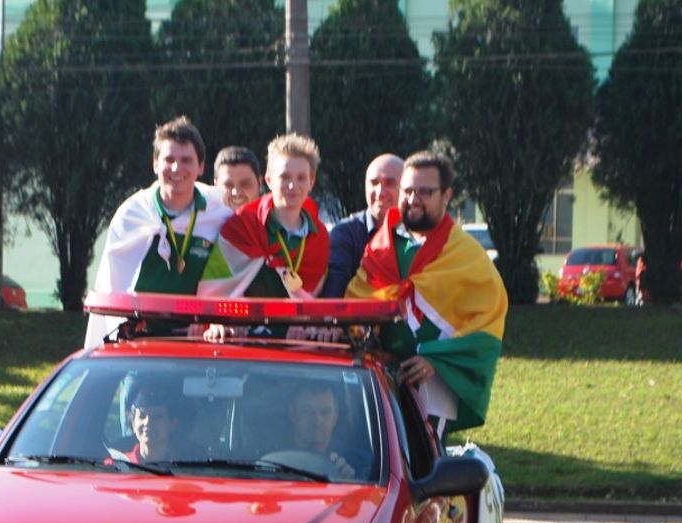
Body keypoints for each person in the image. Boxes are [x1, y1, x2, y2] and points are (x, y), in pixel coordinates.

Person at [345, 151, 508, 434]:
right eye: (407, 190)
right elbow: (356, 302)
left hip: (433, 387)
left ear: (447, 195)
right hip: (377, 379)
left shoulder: (466, 254)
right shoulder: (380, 246)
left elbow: (488, 322)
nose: (413, 199)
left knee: (425, 466)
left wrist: (437, 359)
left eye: (425, 191)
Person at [83, 116, 234, 349]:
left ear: (201, 166)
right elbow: (113, 285)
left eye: (186, 160)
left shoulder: (219, 212)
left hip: (199, 342)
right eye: (169, 159)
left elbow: (232, 277)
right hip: (140, 344)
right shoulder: (132, 214)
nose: (177, 168)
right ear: (155, 163)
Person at [215, 133, 330, 299]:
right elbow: (217, 285)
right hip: (247, 322)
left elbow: (313, 294)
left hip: (301, 323)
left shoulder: (320, 236)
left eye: (301, 178)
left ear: (311, 182)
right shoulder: (242, 225)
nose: (293, 185)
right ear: (269, 180)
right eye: (284, 177)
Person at [323, 153, 404, 297]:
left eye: (390, 183)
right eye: (374, 183)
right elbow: (333, 297)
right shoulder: (345, 234)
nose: (380, 192)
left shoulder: (420, 236)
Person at [288, 382, 355, 478]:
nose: (317, 421)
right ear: (293, 415)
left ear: (335, 417)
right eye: (308, 411)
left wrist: (349, 482)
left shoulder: (354, 464)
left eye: (325, 412)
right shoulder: (267, 463)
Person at [118, 386, 178, 464]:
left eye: (157, 416)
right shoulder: (116, 467)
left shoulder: (188, 466)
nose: (147, 422)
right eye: (142, 416)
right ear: (133, 423)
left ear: (172, 423)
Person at [213, 146, 263, 212]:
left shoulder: (275, 220)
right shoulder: (200, 220)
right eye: (228, 185)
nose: (236, 193)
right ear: (215, 186)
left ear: (260, 184)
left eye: (245, 184)